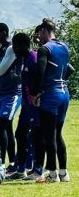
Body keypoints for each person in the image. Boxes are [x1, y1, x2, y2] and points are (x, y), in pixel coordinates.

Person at [33, 19, 73, 183]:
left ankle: (52, 174)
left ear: (43, 31)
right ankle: (64, 173)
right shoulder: (64, 46)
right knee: (58, 134)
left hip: (51, 96)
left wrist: (36, 93)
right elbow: (69, 69)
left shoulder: (44, 49)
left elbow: (40, 72)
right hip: (64, 94)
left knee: (48, 135)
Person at [10, 32, 45, 180]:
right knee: (20, 134)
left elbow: (41, 77)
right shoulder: (23, 59)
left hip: (35, 105)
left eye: (16, 46)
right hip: (26, 105)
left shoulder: (34, 58)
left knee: (37, 136)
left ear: (23, 45)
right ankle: (21, 168)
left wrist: (37, 94)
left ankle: (38, 169)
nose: (14, 50)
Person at [0, 23, 22, 173]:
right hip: (3, 93)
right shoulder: (2, 49)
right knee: (7, 128)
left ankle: (1, 163)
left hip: (13, 94)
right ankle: (13, 162)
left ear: (4, 32)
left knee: (1, 126)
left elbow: (1, 70)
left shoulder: (10, 48)